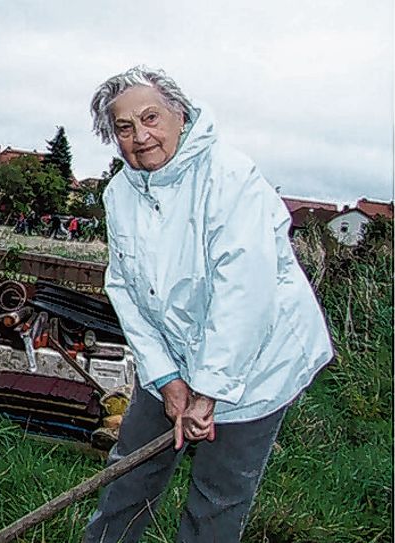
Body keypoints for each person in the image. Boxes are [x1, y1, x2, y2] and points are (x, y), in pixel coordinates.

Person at [82, 66, 333, 542]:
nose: (141, 135)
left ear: (180, 113)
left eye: (151, 117)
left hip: (255, 365)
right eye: (124, 127)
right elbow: (126, 291)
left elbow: (245, 294)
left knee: (217, 499)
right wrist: (167, 379)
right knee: (128, 479)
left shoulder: (229, 178)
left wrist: (209, 392)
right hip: (173, 361)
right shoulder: (119, 195)